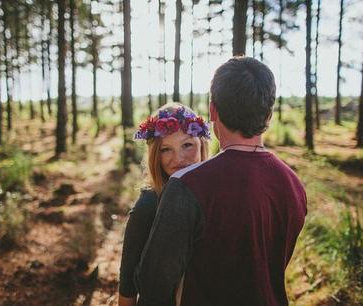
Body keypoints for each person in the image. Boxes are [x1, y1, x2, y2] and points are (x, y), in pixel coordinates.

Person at [134, 57, 307, 306]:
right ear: (269, 114)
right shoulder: (294, 185)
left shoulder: (186, 185)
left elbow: (153, 285)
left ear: (213, 110)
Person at [118, 103, 210, 306]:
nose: (178, 159)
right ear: (154, 156)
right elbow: (127, 284)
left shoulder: (213, 195)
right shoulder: (149, 203)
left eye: (187, 145)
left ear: (202, 144)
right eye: (166, 149)